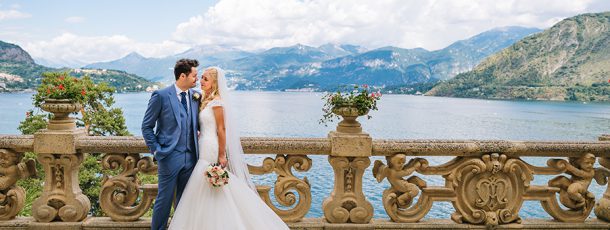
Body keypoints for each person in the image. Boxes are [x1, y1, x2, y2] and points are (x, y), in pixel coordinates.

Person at [168, 67, 289, 230]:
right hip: (202, 144)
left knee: (209, 183)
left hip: (210, 147)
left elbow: (221, 130)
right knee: (202, 184)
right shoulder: (205, 99)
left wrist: (222, 154)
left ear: (214, 83)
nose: (201, 81)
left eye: (205, 79)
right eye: (201, 78)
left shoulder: (217, 102)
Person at [141, 59, 200, 230]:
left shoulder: (196, 96)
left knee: (185, 202)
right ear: (183, 76)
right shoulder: (160, 96)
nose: (197, 79)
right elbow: (146, 126)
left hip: (191, 158)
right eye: (194, 76)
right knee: (164, 200)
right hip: (169, 157)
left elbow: (197, 123)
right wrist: (157, 151)